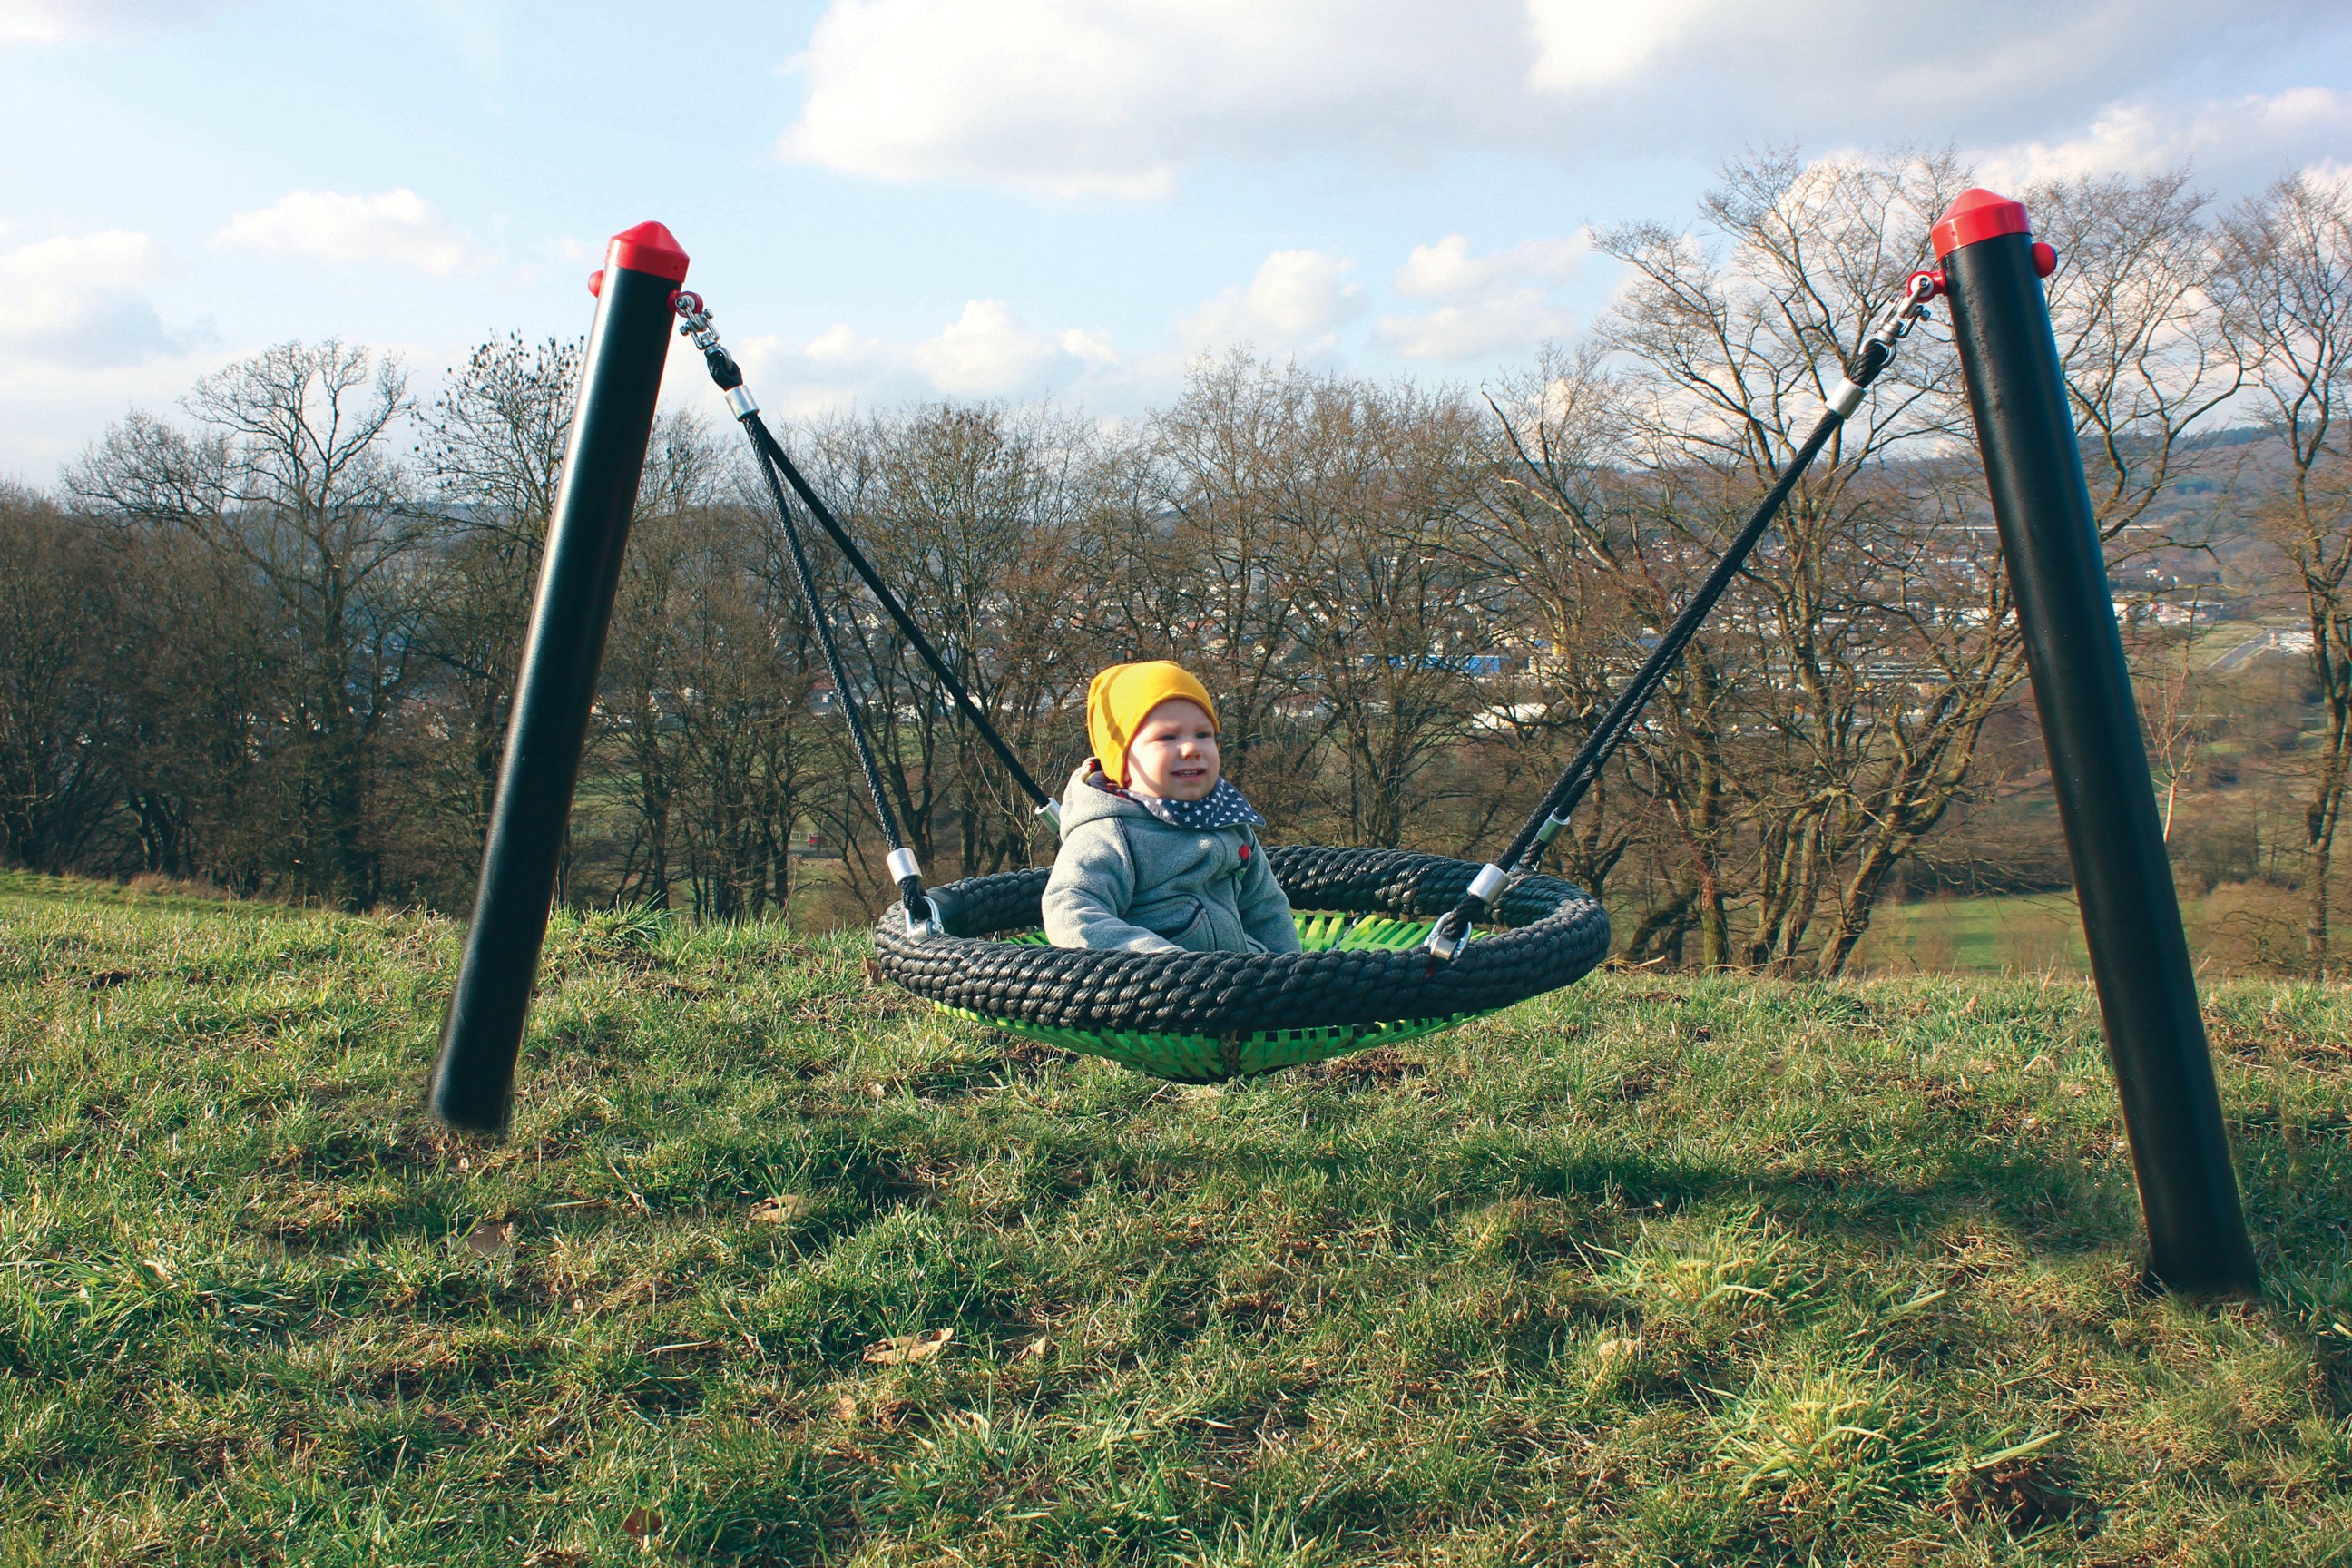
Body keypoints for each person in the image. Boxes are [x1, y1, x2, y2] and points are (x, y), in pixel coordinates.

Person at [1042, 661, 1300, 954]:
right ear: (1122, 760)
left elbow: (1265, 908)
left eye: (1203, 734)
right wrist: (1158, 962)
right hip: (1150, 990)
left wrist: (1291, 973)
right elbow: (1071, 912)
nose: (1191, 748)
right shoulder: (1109, 834)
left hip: (1236, 981)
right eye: (1167, 737)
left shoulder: (1227, 819)